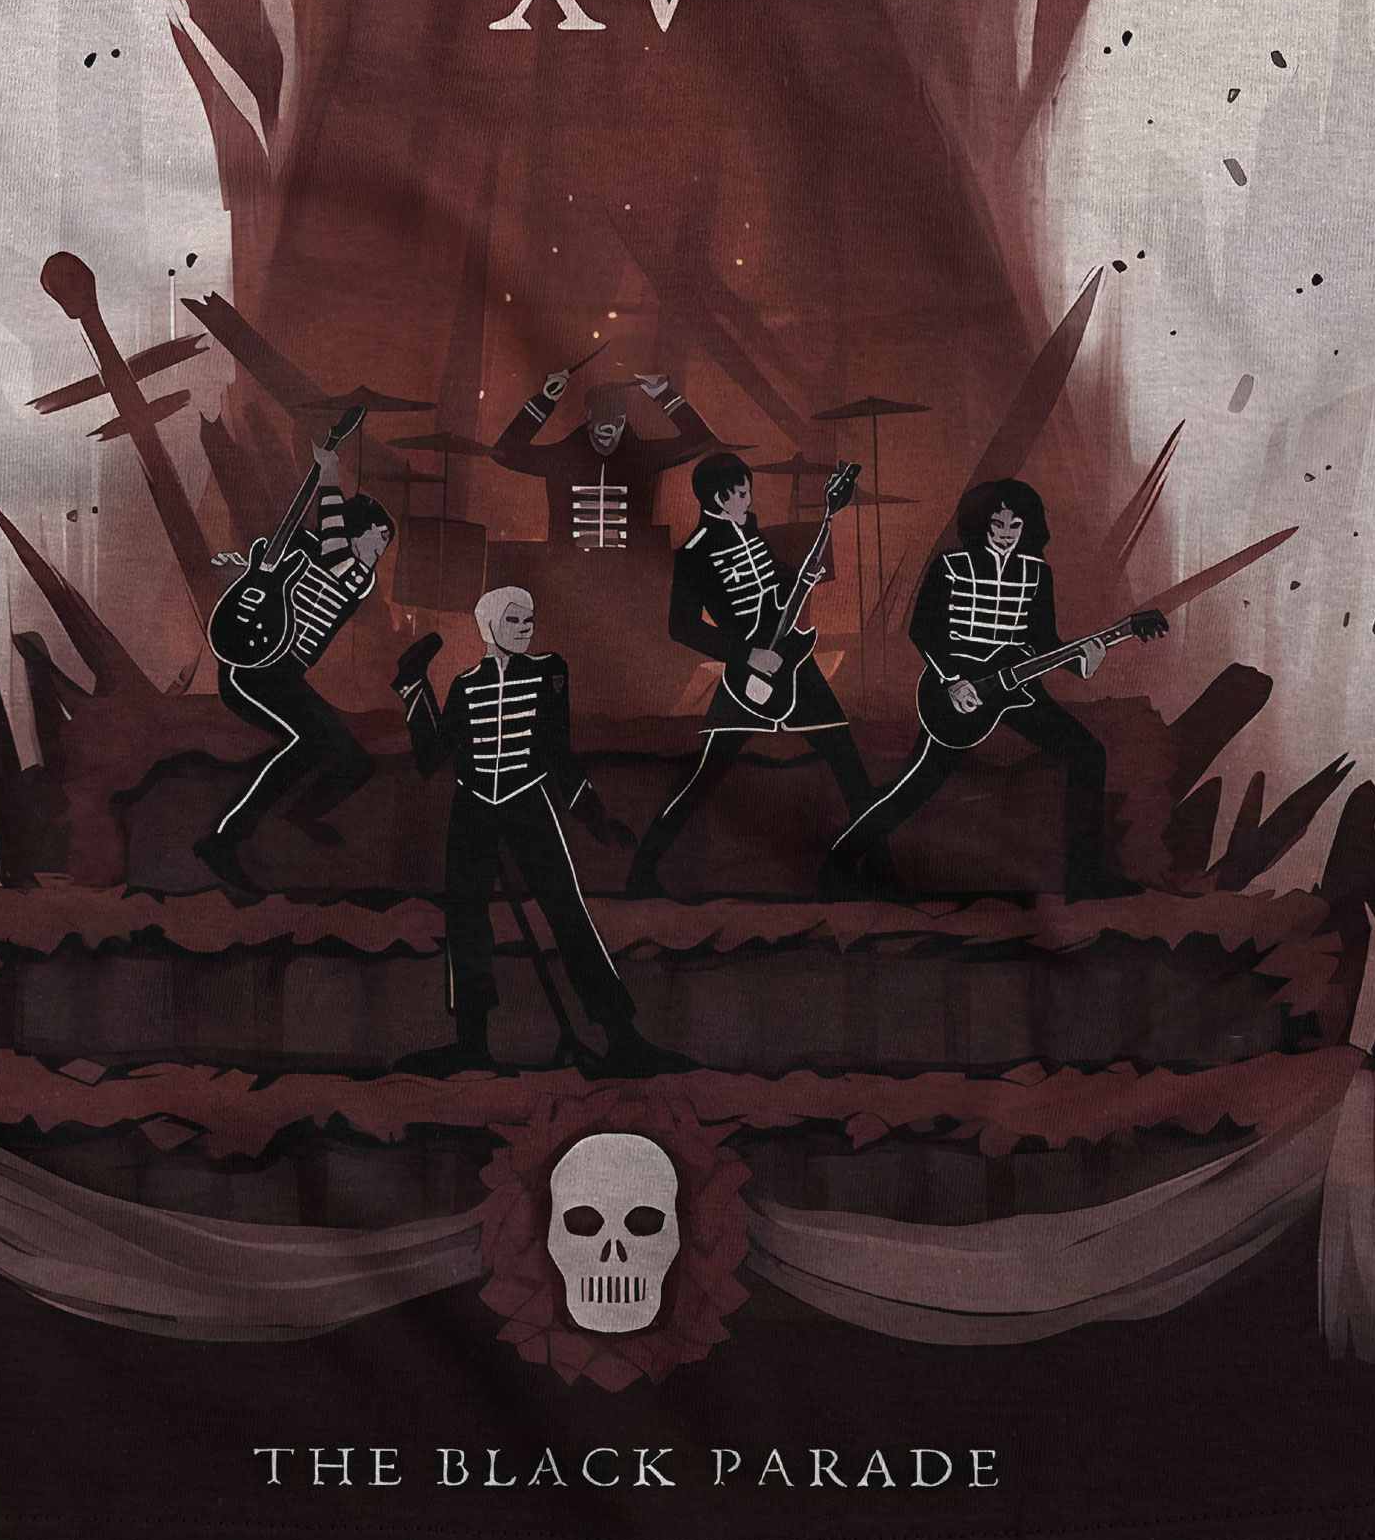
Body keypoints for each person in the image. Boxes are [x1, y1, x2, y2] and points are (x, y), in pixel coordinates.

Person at [395, 586, 687, 1075]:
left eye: (529, 620)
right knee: (465, 918)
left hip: (527, 800)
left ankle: (622, 1038)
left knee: (567, 911)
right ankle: (471, 1044)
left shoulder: (549, 672)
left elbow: (558, 755)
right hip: (473, 805)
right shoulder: (465, 685)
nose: (525, 629)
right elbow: (430, 760)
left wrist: (595, 817)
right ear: (489, 625)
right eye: (514, 620)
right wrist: (413, 686)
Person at [821, 479, 1135, 901]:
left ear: (1028, 526)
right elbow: (922, 630)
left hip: (1018, 689)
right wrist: (952, 680)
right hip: (958, 692)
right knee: (917, 785)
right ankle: (838, 863)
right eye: (997, 523)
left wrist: (1084, 662)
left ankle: (1084, 878)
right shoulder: (951, 565)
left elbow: (1044, 643)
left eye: (1015, 524)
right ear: (981, 523)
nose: (1006, 532)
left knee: (1087, 753)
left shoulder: (1037, 573)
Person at [629, 448, 885, 895]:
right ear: (720, 497)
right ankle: (642, 872)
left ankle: (883, 870)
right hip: (746, 677)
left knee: (848, 762)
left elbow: (774, 585)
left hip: (793, 663)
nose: (749, 499)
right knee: (704, 776)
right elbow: (681, 626)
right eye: (743, 492)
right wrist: (746, 655)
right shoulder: (694, 552)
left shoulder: (749, 529)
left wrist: (803, 573)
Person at [197, 495, 394, 894]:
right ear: (355, 533)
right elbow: (263, 577)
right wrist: (244, 574)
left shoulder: (359, 577)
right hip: (252, 669)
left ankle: (301, 815)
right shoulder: (299, 545)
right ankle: (223, 840)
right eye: (378, 541)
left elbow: (334, 554)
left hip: (286, 676)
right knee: (309, 743)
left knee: (357, 763)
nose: (380, 554)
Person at [487, 364, 730, 556]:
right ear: (588, 416)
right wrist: (544, 400)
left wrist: (664, 395)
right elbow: (505, 453)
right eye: (602, 418)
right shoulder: (562, 458)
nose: (609, 428)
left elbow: (700, 440)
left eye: (616, 419)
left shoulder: (642, 458)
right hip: (569, 572)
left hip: (629, 575)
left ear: (625, 419)